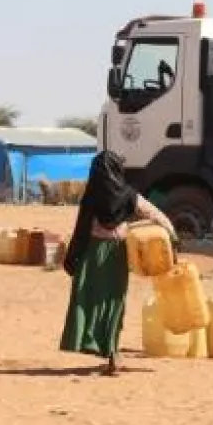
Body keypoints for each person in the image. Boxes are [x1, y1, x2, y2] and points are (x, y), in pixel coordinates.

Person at [59, 151, 176, 375]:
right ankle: (112, 354)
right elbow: (157, 215)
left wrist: (72, 255)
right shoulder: (128, 195)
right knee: (114, 303)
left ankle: (93, 344)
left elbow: (81, 227)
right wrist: (173, 238)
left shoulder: (91, 195)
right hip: (117, 255)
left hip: (91, 255)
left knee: (88, 300)